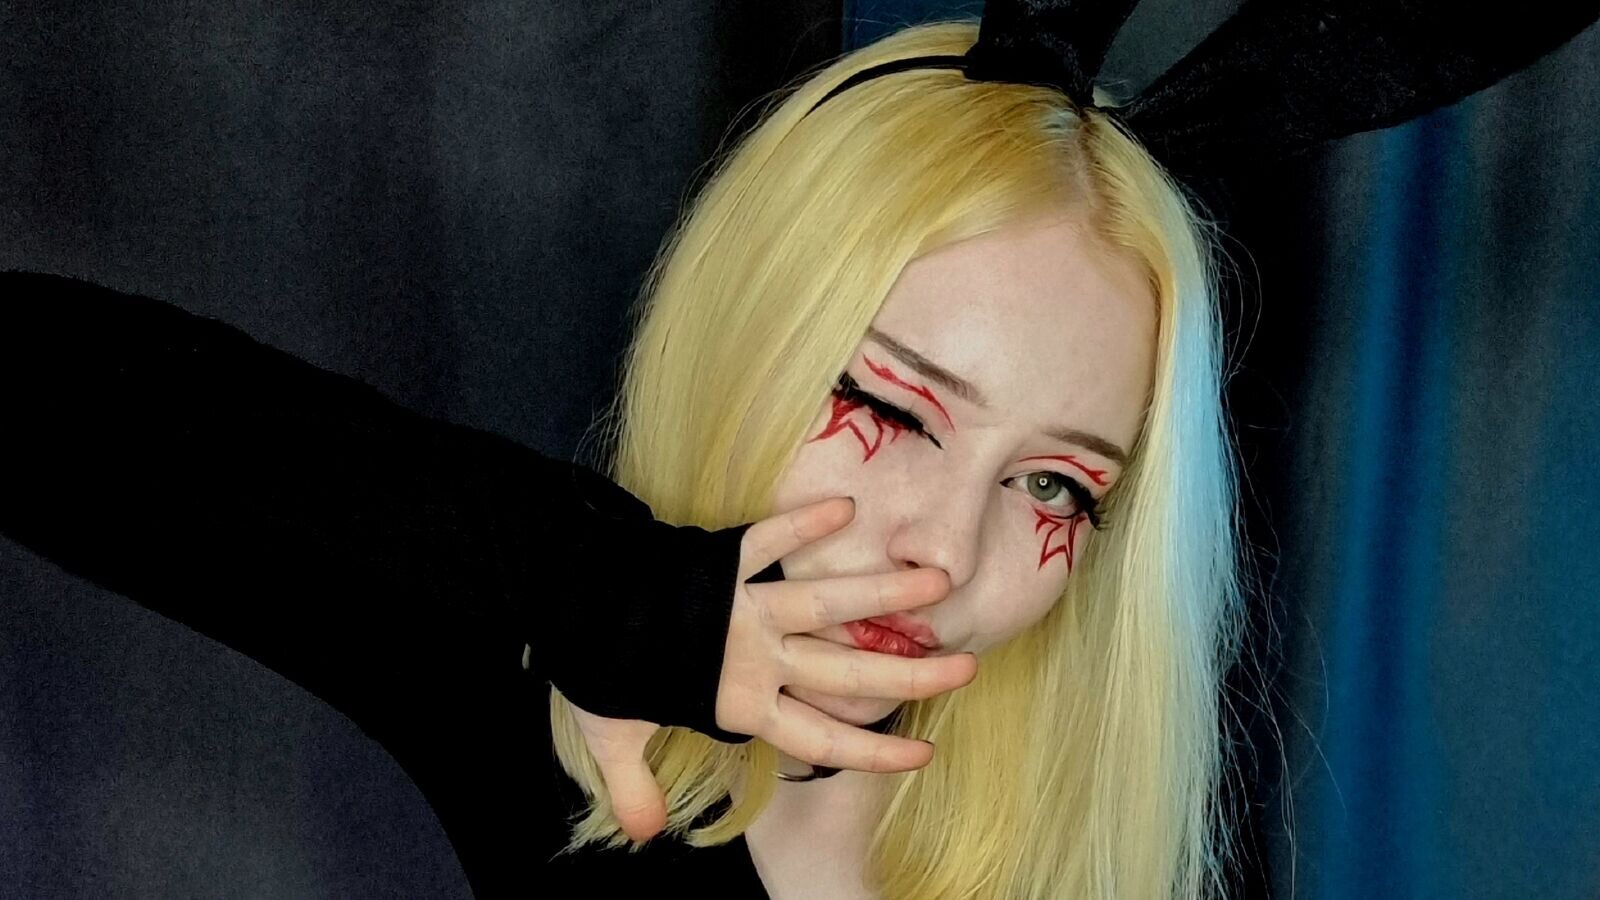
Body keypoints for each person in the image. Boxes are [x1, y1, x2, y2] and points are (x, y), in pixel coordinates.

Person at [11, 6, 1593, 896]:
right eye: (895, 409)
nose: (946, 555)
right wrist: (598, 588)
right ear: (760, 333)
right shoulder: (559, 709)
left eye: (1055, 484)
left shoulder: (1108, 843)